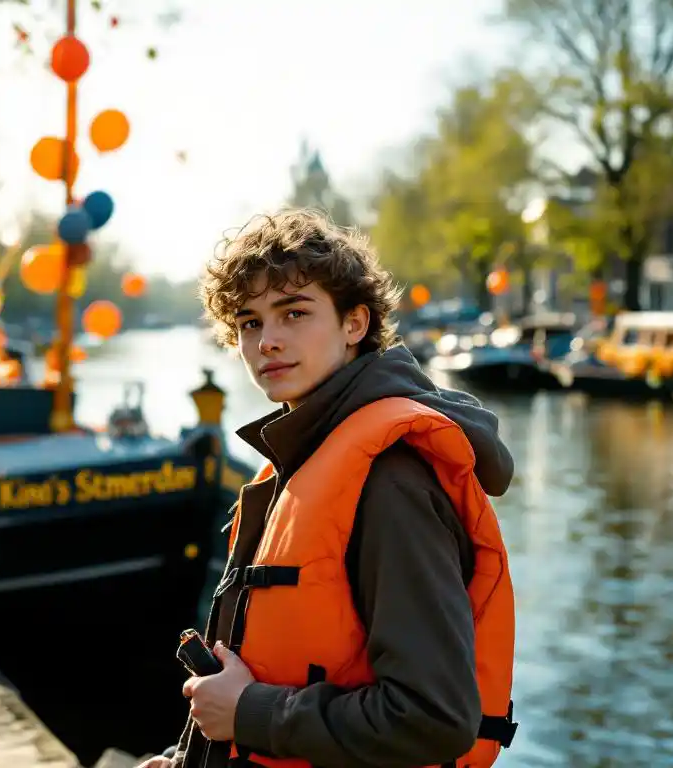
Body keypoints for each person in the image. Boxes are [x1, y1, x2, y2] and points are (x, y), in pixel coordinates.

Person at [140, 209, 518, 768]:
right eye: (249, 322)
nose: (267, 341)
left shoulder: (390, 478)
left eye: (294, 313)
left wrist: (250, 714)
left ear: (354, 324)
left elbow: (434, 718)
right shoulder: (303, 457)